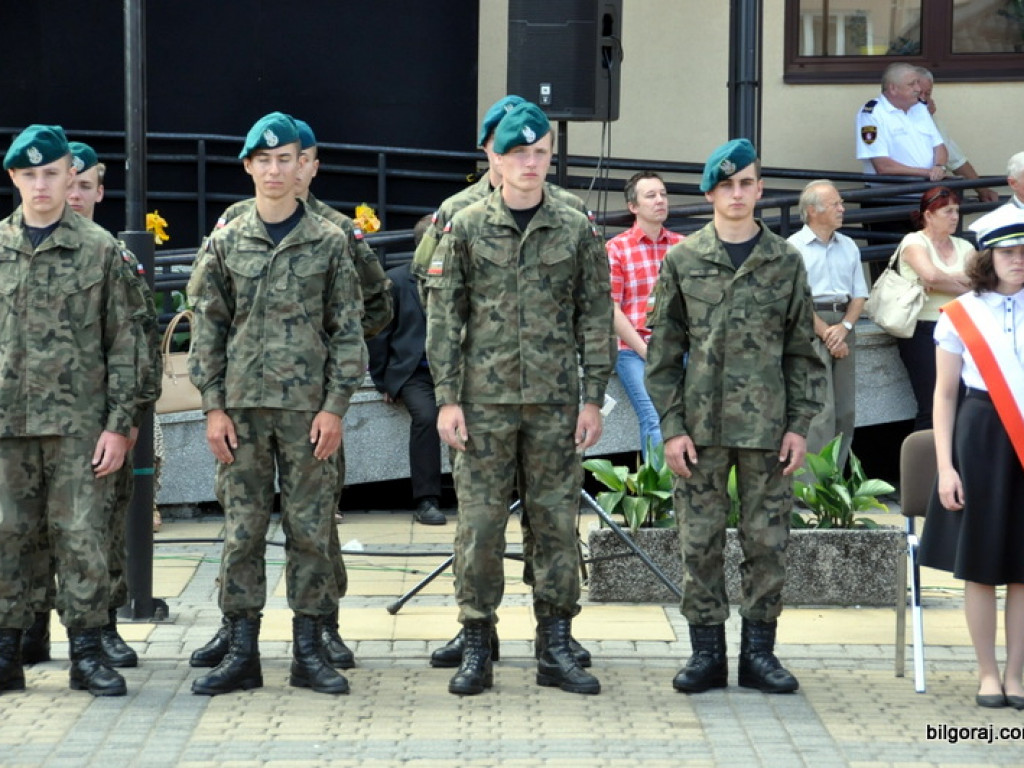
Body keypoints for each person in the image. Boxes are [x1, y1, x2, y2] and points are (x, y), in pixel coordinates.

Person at [424, 101, 614, 696]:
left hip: (557, 405)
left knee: (556, 525)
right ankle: (477, 640)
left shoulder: (576, 223)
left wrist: (594, 399)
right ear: (496, 159)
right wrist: (447, 399)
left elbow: (595, 315)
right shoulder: (466, 225)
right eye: (518, 154)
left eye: (540, 153)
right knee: (479, 529)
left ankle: (555, 644)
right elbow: (443, 318)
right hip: (482, 406)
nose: (530, 164)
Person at [187, 117, 390, 673]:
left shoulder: (329, 240)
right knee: (241, 530)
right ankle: (241, 648)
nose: (275, 170)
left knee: (310, 529)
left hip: (307, 412)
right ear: (249, 166)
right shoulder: (227, 239)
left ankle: (310, 647)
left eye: (286, 159)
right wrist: (212, 407)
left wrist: (335, 404)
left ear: (303, 163)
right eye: (264, 160)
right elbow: (208, 328)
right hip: (242, 412)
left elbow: (351, 327)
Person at [645, 138, 824, 696]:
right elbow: (663, 354)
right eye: (727, 185)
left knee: (767, 541)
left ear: (760, 190)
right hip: (699, 428)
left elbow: (802, 351)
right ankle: (705, 655)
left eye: (746, 183)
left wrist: (800, 424)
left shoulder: (785, 260)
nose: (737, 193)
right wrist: (671, 428)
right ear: (710, 193)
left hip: (768, 428)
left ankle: (759, 655)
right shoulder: (682, 259)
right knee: (699, 541)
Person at [0, 125, 146, 697]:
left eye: (51, 173)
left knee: (81, 536)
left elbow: (126, 345)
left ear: (69, 176)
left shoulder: (100, 249)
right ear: (14, 179)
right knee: (7, 536)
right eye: (29, 175)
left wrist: (118, 424)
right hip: (8, 425)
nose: (41, 185)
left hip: (79, 428)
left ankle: (87, 652)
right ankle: (8, 652)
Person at [919, 204, 1024, 710]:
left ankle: (1016, 673)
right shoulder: (962, 314)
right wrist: (945, 467)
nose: (1018, 260)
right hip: (979, 436)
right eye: (1008, 251)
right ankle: (987, 673)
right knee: (981, 565)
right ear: (989, 256)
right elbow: (942, 396)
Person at [367, 215, 446, 525]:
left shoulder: (460, 278)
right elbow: (380, 333)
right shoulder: (397, 281)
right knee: (426, 416)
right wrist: (384, 381)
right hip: (416, 372)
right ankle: (427, 500)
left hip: (457, 371)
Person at [787, 180, 868, 468]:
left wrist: (843, 329)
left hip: (844, 325)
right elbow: (795, 299)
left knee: (845, 409)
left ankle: (834, 478)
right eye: (835, 204)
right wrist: (827, 334)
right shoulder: (793, 248)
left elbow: (859, 294)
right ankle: (810, 486)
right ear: (812, 210)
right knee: (820, 409)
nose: (842, 209)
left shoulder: (848, 246)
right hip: (810, 327)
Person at [605, 171, 684, 461]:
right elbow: (611, 309)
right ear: (633, 206)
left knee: (692, 416)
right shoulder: (616, 248)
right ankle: (660, 500)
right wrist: (646, 350)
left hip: (679, 348)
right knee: (654, 415)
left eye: (663, 194)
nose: (660, 200)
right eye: (651, 195)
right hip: (633, 350)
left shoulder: (683, 247)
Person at [895, 186, 976, 430]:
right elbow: (930, 275)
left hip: (961, 330)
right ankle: (927, 467)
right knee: (932, 405)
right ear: (928, 215)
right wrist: (961, 281)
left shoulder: (964, 246)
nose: (955, 217)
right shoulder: (914, 241)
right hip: (923, 331)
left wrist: (941, 280)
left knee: (963, 402)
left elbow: (981, 281)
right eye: (947, 211)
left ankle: (956, 466)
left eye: (957, 211)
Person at [915, 68, 998, 203]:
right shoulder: (886, 117)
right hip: (900, 198)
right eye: (918, 94)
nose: (923, 99)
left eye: (928, 94)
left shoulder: (930, 119)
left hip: (931, 197)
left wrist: (982, 190)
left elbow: (956, 160)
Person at [856, 62, 947, 181]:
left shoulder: (920, 107)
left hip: (927, 190)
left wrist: (939, 166)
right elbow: (883, 167)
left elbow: (939, 145)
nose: (918, 89)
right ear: (893, 88)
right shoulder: (872, 114)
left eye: (917, 83)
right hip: (894, 195)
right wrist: (928, 173)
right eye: (911, 84)